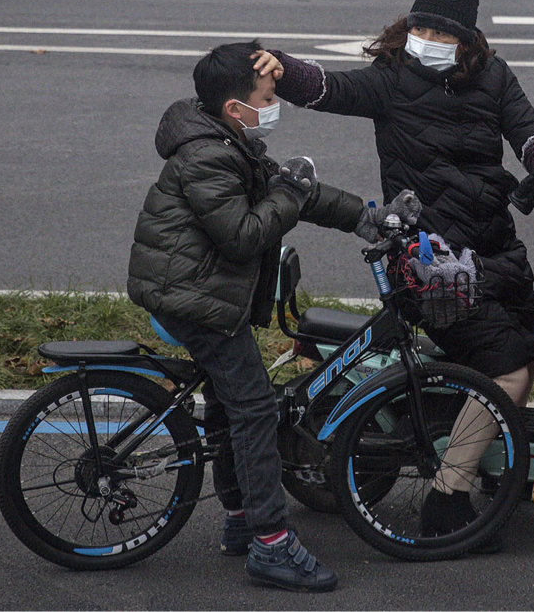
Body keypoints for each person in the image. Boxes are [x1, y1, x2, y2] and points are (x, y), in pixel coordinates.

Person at [250, 0, 534, 543]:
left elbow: (530, 132)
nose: (429, 38)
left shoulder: (496, 79)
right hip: (431, 262)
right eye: (421, 26)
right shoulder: (391, 79)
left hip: (494, 249)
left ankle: (481, 459)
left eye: (443, 32)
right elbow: (328, 87)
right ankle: (448, 498)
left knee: (529, 350)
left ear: (468, 40)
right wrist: (282, 65)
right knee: (507, 367)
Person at [126, 40, 420, 591]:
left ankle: (239, 520)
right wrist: (288, 187)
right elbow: (244, 236)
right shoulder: (209, 155)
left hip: (195, 286)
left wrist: (369, 217)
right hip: (194, 297)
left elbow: (297, 196)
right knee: (255, 409)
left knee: (229, 398)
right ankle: (271, 545)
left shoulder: (222, 134)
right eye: (267, 94)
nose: (274, 102)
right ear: (237, 108)